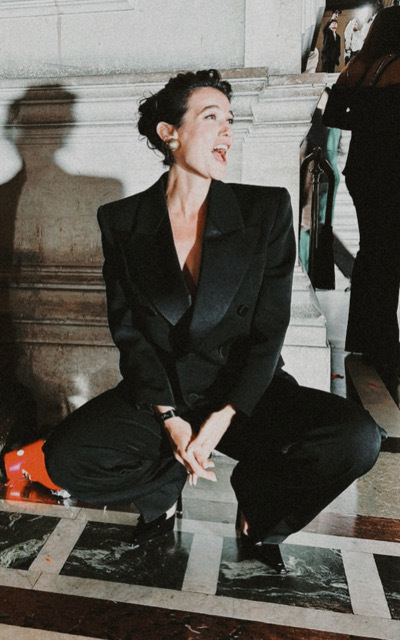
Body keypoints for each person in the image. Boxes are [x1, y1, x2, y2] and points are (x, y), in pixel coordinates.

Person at [2, 69, 385, 575]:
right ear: (171, 133)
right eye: (211, 117)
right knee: (69, 459)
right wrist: (170, 419)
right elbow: (131, 334)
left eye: (230, 120)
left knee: (357, 438)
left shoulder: (265, 208)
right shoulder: (123, 220)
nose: (227, 130)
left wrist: (225, 415)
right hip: (165, 395)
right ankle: (163, 486)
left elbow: (269, 330)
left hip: (247, 395)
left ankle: (259, 510)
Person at [323, 7, 400, 400]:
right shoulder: (398, 67)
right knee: (389, 258)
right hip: (393, 172)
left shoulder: (360, 67)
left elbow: (334, 116)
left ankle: (368, 342)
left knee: (374, 253)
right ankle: (385, 349)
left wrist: (368, 116)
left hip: (364, 171)